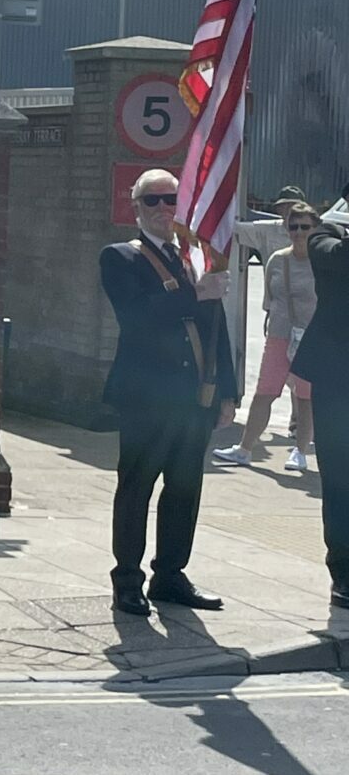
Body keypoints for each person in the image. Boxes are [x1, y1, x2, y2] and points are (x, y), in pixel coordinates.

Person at [100, 168, 237, 617]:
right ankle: (127, 579)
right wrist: (196, 292)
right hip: (145, 397)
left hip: (193, 396)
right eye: (153, 201)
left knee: (184, 489)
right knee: (136, 487)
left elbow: (216, 329)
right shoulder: (121, 256)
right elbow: (137, 317)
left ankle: (171, 575)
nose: (163, 209)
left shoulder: (194, 257)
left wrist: (227, 393)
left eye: (170, 200)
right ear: (136, 207)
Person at [215, 201, 320, 472]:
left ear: (315, 229)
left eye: (304, 227)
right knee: (265, 392)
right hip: (279, 335)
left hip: (311, 338)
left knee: (307, 397)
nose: (297, 232)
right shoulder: (277, 259)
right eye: (293, 226)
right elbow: (269, 300)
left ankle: (300, 451)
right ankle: (244, 448)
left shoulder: (322, 262)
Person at [290, 200, 348, 608]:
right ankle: (344, 570)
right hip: (339, 379)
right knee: (342, 478)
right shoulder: (326, 238)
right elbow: (336, 261)